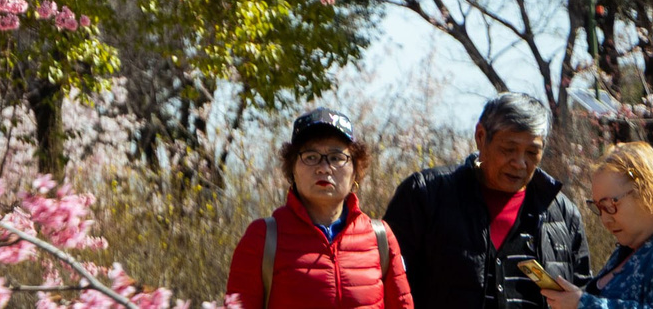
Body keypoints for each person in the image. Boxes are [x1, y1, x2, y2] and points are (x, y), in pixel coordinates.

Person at [384, 92, 592, 309]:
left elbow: (585, 296)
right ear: (481, 136)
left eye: (532, 152)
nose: (520, 163)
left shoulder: (563, 214)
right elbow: (390, 286)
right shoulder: (425, 195)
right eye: (508, 149)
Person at [228, 107, 415, 309]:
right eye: (310, 157)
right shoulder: (262, 238)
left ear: (355, 171)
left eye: (336, 158)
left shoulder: (380, 238)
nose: (324, 168)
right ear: (292, 169)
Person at [537, 142, 653, 309]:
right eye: (598, 208)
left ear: (648, 193)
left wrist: (584, 304)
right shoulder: (628, 250)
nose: (605, 219)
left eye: (610, 205)